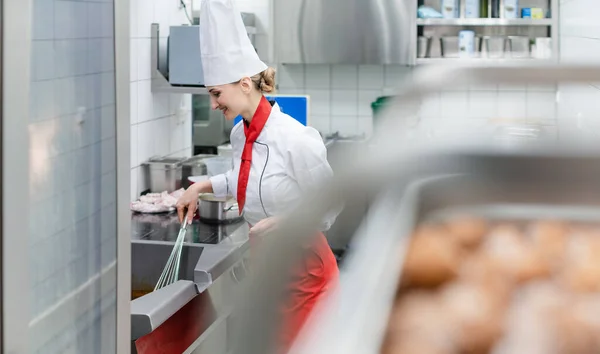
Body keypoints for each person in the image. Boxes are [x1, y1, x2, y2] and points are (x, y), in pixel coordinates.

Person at [175, 0, 340, 351]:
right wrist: (202, 186)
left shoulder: (294, 138)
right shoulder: (240, 132)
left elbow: (330, 204)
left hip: (307, 275)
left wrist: (286, 221)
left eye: (217, 94)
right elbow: (244, 178)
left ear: (245, 83)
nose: (214, 104)